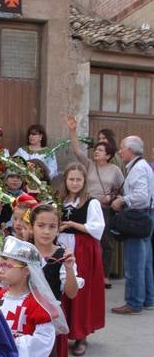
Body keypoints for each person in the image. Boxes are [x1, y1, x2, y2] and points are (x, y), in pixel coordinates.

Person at [30, 203, 80, 357]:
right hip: (27, 324)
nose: (46, 231)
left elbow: (71, 292)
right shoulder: (23, 253)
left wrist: (70, 268)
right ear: (31, 227)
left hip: (53, 325)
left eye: (52, 226)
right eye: (41, 226)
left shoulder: (62, 255)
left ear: (59, 228)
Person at [66, 115, 124, 287]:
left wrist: (112, 198)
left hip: (104, 209)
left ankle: (104, 275)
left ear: (108, 155)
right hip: (86, 205)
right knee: (86, 240)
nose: (96, 151)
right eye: (96, 149)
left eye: (100, 150)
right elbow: (77, 151)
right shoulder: (89, 165)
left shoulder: (115, 170)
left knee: (105, 242)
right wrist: (73, 130)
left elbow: (122, 189)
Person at [59, 162, 105, 355]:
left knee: (80, 290)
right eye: (71, 179)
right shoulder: (59, 200)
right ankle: (61, 334)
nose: (75, 183)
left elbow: (97, 228)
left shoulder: (91, 202)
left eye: (79, 179)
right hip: (61, 247)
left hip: (83, 249)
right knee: (61, 290)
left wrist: (71, 224)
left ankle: (81, 336)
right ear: (66, 181)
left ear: (84, 181)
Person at [111, 136, 154, 315]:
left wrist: (123, 200)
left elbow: (141, 196)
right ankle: (147, 299)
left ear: (130, 150)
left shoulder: (138, 169)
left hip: (138, 217)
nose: (120, 151)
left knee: (134, 262)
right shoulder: (143, 166)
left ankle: (134, 302)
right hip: (145, 216)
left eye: (122, 148)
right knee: (145, 262)